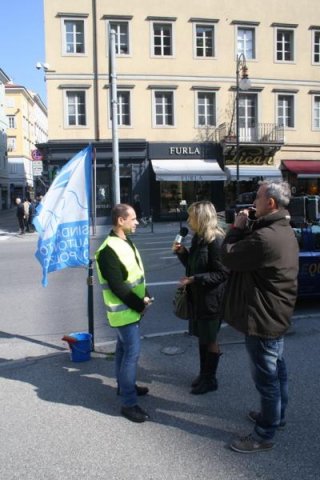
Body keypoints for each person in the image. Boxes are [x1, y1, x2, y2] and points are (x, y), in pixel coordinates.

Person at [221, 180, 299, 453]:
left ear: (271, 203)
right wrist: (250, 223)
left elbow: (229, 256)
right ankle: (277, 416)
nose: (253, 201)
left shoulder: (266, 238)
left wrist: (237, 227)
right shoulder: (280, 228)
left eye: (258, 197)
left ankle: (264, 434)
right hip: (275, 315)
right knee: (278, 371)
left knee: (267, 380)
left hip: (262, 319)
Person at [95, 204, 153, 423]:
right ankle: (129, 403)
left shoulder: (125, 241)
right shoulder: (108, 250)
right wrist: (139, 305)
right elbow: (118, 287)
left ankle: (124, 386)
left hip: (132, 309)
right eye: (133, 219)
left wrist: (145, 294)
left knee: (122, 351)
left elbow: (135, 274)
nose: (137, 222)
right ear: (121, 220)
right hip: (124, 313)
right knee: (132, 354)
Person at [173, 201, 229, 395]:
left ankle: (210, 379)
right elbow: (192, 265)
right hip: (197, 297)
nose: (188, 220)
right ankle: (203, 374)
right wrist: (182, 253)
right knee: (201, 338)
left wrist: (196, 279)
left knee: (210, 338)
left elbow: (222, 273)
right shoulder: (199, 238)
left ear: (201, 218)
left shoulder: (216, 240)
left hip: (212, 299)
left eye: (191, 217)